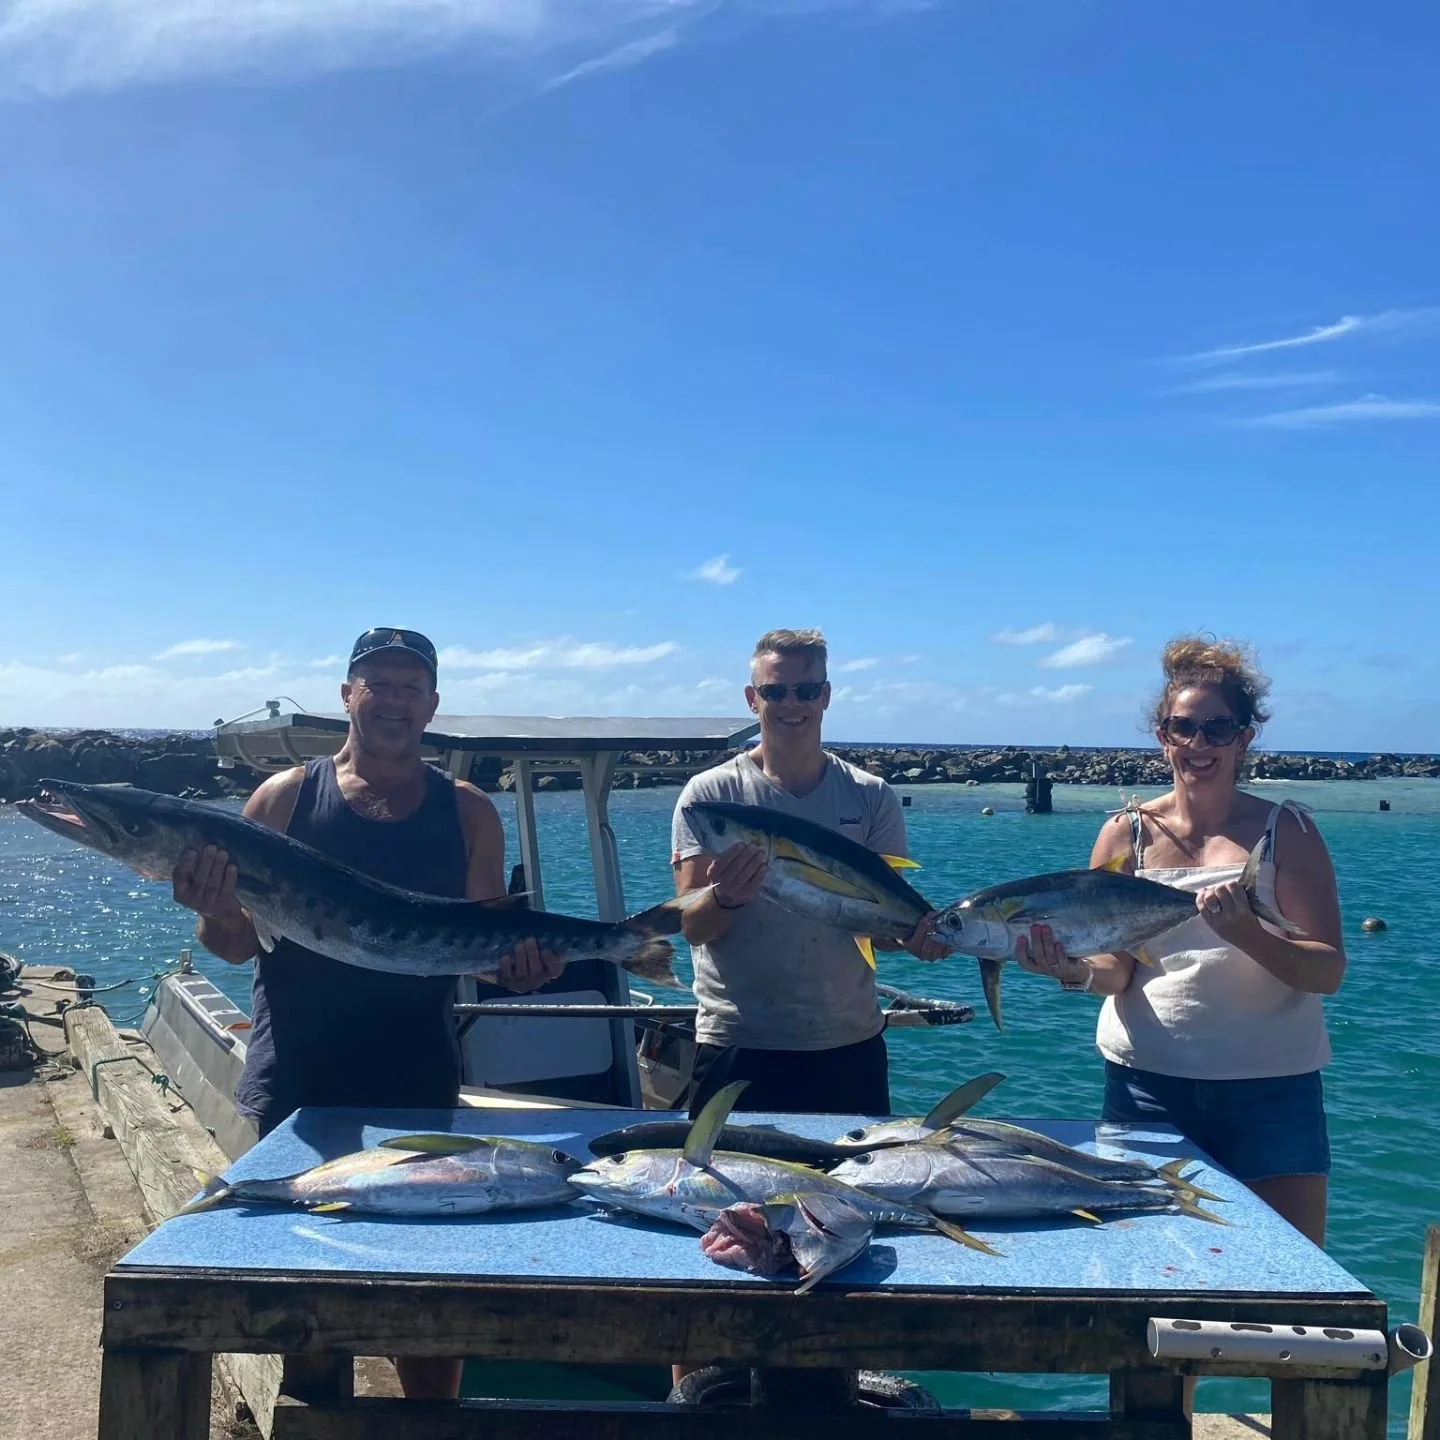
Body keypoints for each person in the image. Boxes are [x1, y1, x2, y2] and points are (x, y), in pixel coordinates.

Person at [171, 626, 563, 1399]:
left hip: (415, 1075)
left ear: (433, 704)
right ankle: (315, 1414)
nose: (393, 700)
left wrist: (523, 971)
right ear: (348, 695)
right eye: (377, 684)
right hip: (300, 1082)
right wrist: (214, 910)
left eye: (410, 687)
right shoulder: (283, 797)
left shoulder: (468, 810)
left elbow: (485, 939)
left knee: (428, 1287)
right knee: (307, 1296)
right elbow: (236, 948)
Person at [1017, 637, 1346, 1246]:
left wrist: (1248, 934)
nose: (1199, 745)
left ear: (1245, 737)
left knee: (1291, 1276)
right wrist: (1068, 970)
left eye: (1217, 729)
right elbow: (1118, 970)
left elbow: (1326, 972)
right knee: (1150, 1274)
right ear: (1162, 735)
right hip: (1146, 1088)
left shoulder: (1288, 833)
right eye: (1183, 728)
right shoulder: (1124, 834)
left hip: (1272, 1094)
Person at [670, 627, 951, 1118]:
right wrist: (727, 898)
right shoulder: (708, 797)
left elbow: (882, 932)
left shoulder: (871, 795)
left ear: (826, 695)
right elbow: (692, 927)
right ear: (752, 699)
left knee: (846, 1191)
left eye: (805, 689)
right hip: (737, 1040)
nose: (790, 703)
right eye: (775, 691)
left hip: (848, 1044)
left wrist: (919, 936)